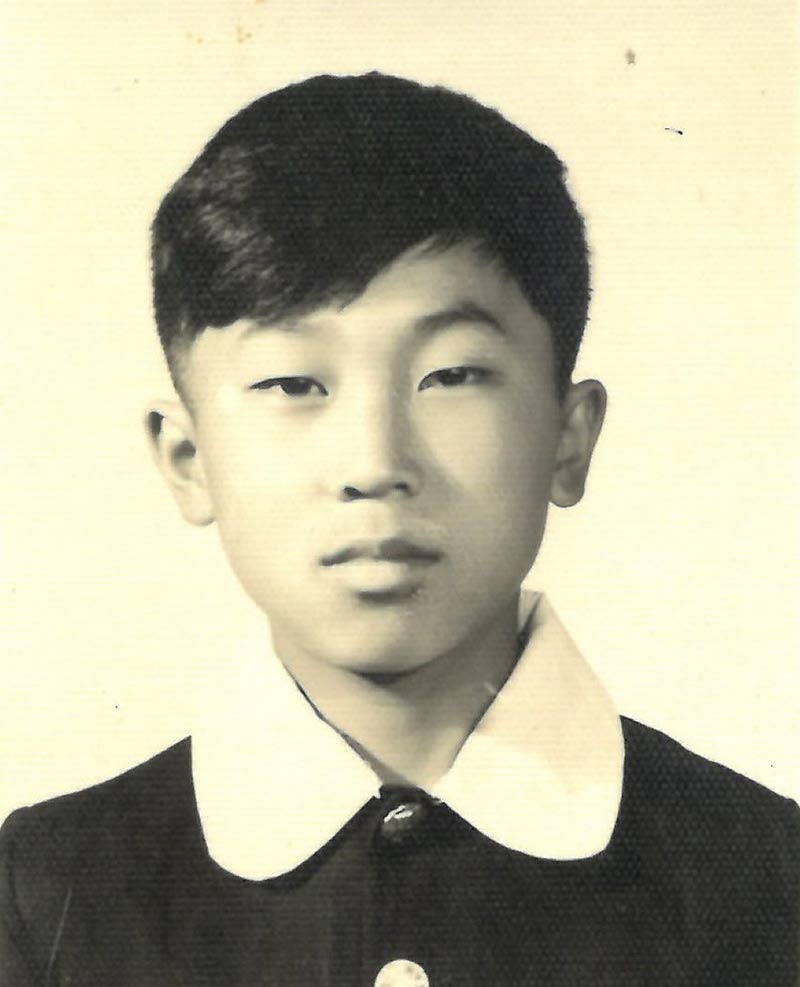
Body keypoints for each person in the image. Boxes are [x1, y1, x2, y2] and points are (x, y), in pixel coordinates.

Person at [1, 72, 797, 987]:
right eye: (294, 383)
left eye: (452, 374)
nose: (376, 461)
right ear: (187, 458)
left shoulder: (768, 878)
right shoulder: (45, 892)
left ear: (568, 440)